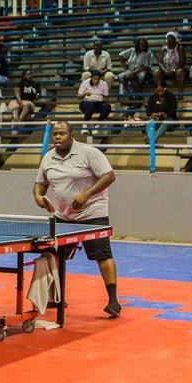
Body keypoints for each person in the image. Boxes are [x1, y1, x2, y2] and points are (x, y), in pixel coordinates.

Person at [33, 121, 121, 317]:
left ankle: (113, 301)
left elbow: (109, 176)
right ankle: (57, 298)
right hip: (64, 215)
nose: (57, 137)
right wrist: (39, 198)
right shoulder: (48, 158)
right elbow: (40, 183)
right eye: (55, 134)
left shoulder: (89, 153)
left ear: (71, 134)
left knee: (102, 255)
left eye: (62, 133)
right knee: (53, 256)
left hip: (92, 213)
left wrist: (86, 195)